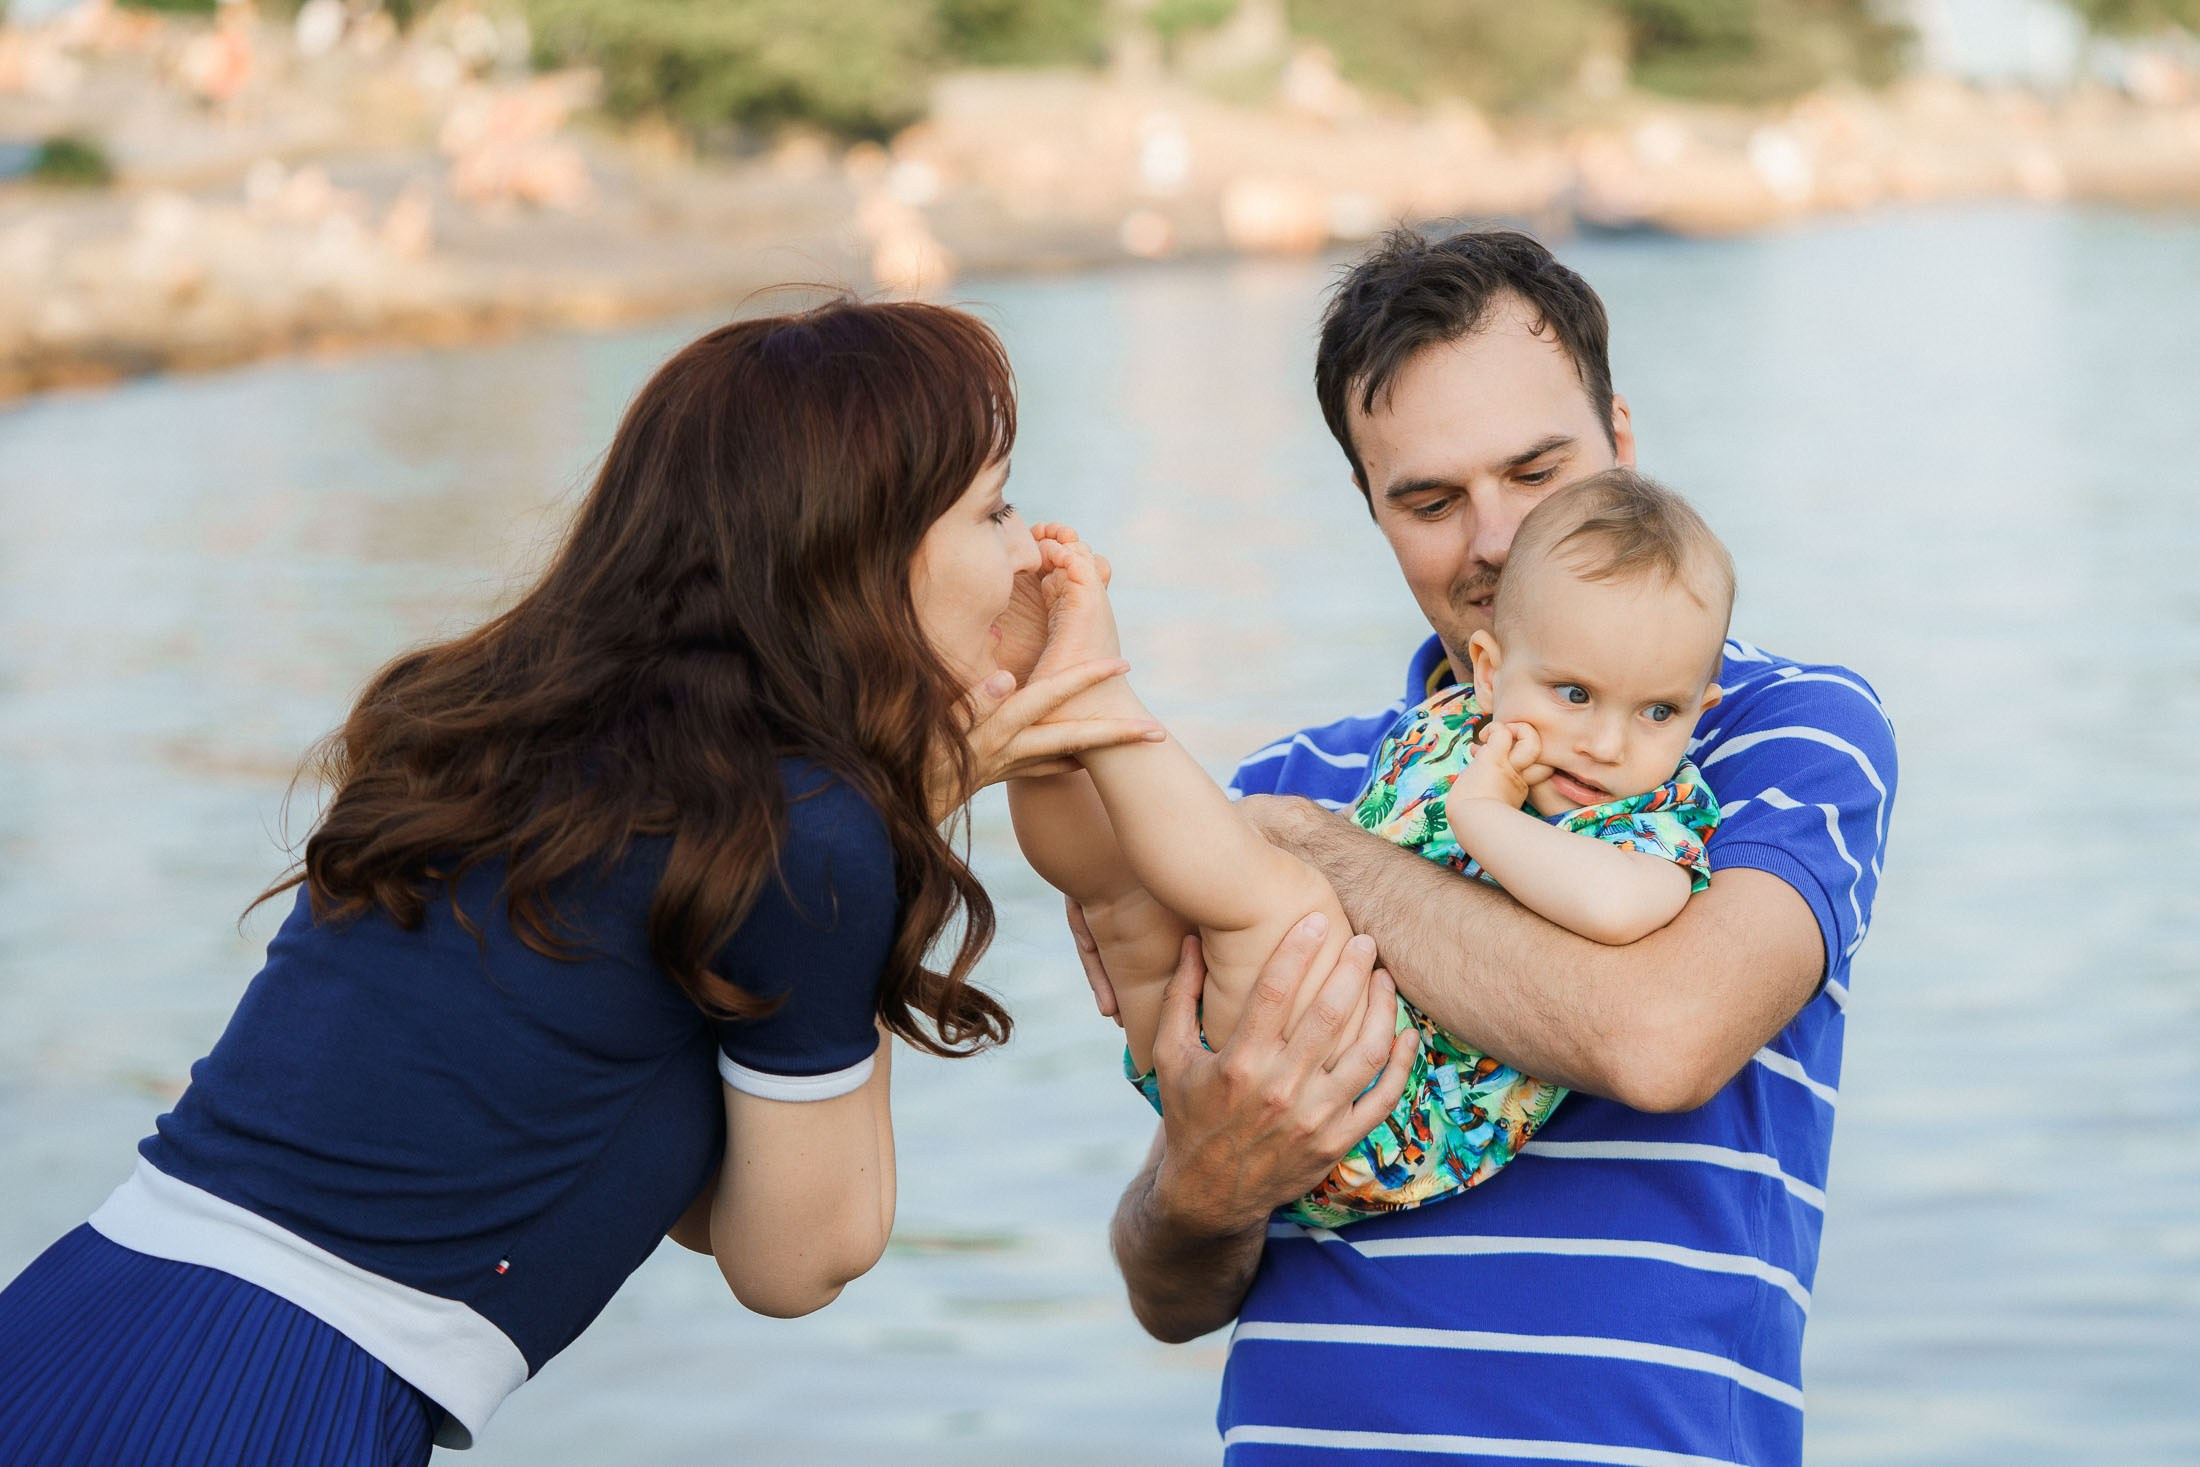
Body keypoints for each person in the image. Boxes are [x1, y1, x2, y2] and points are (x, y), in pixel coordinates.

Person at [0, 298, 1178, 1465]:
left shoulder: (499, 737)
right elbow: (800, 1260)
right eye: (996, 508)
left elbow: (693, 1195)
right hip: (268, 1398)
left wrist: (890, 809)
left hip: (80, 1315)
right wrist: (893, 827)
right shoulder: (805, 833)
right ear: (860, 544)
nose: (1035, 551)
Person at [1094, 227, 1899, 1466]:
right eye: (1428, 498)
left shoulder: (1779, 733)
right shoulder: (1283, 785)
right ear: (1370, 510)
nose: (1495, 539)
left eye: (1538, 469)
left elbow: (1660, 1036)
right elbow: (1174, 1298)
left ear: (1621, 447)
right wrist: (1198, 1193)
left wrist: (1330, 857)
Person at [1011, 469, 1733, 1227]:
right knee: (1124, 902)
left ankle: (1105, 699)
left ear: (1700, 710)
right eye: (1575, 694)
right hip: (1228, 1090)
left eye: (1659, 710)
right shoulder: (1447, 728)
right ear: (1488, 673)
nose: (1608, 742)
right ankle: (1044, 720)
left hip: (1397, 1110)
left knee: (1274, 901)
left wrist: (1485, 812)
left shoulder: (1653, 814)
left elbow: (1618, 906)